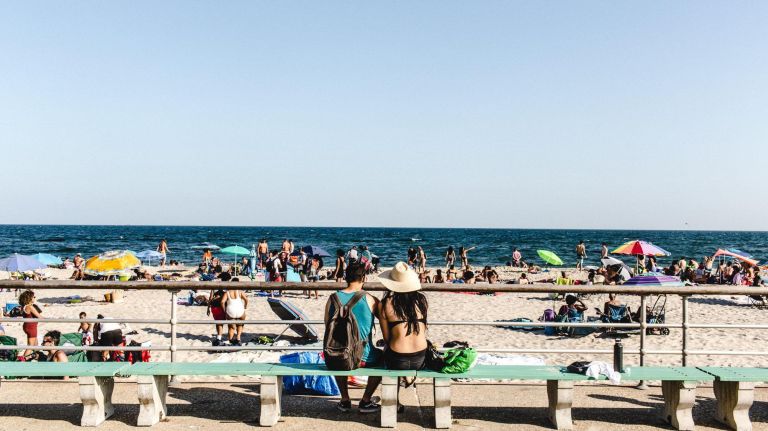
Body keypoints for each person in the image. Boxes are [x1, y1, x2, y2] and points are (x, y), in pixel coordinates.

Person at [325, 261, 382, 413]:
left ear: (345, 277)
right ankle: (366, 400)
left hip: (336, 358)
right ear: (364, 278)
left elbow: (327, 327)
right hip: (363, 358)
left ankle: (345, 399)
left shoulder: (332, 299)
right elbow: (385, 323)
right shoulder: (370, 299)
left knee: (337, 350)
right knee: (384, 359)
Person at [378, 262, 427, 412]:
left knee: (389, 350)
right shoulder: (421, 301)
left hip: (398, 358)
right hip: (421, 358)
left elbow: (386, 337)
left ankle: (396, 402)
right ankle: (408, 376)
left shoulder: (385, 304)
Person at [19, 289, 40, 359]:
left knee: (35, 343)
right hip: (31, 327)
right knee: (30, 346)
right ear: (29, 298)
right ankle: (23, 360)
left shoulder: (24, 306)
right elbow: (40, 317)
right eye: (34, 297)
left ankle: (37, 357)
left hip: (27, 326)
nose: (35, 298)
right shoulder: (30, 307)